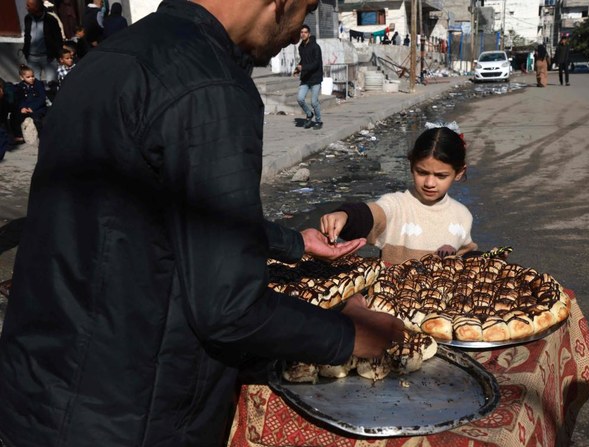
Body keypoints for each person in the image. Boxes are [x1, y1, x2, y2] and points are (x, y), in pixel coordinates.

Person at [0, 1, 404, 446]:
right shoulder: (211, 85)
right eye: (304, 8)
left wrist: (292, 242)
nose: (299, 29)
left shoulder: (111, 57)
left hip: (35, 390)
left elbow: (145, 214)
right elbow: (229, 308)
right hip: (128, 413)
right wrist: (353, 336)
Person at [320, 126, 477, 265]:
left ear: (459, 173)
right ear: (411, 165)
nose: (429, 183)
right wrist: (345, 216)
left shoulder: (462, 215)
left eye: (440, 176)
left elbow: (466, 260)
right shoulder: (396, 205)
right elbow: (372, 215)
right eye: (422, 172)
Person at [22, 0, 63, 87]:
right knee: (33, 86)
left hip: (48, 58)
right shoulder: (28, 18)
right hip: (32, 58)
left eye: (29, 6)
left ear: (36, 7)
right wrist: (26, 51)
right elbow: (27, 35)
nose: (26, 8)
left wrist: (58, 53)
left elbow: (58, 38)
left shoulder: (50, 20)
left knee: (52, 84)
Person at [294, 24, 323, 130]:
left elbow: (316, 63)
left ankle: (319, 121)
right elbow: (303, 61)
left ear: (309, 34)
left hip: (315, 78)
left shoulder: (315, 47)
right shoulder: (300, 47)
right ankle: (309, 114)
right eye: (301, 32)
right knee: (300, 99)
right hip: (305, 78)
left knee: (314, 102)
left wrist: (303, 67)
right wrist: (297, 69)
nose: (303, 34)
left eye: (305, 32)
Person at [14, 64, 48, 142]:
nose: (31, 78)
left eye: (32, 76)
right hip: (26, 108)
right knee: (15, 117)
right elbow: (19, 99)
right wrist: (22, 107)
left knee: (37, 119)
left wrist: (32, 108)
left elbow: (42, 98)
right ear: (22, 77)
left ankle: (41, 135)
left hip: (37, 108)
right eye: (28, 77)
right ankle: (18, 135)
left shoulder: (38, 84)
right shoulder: (20, 86)